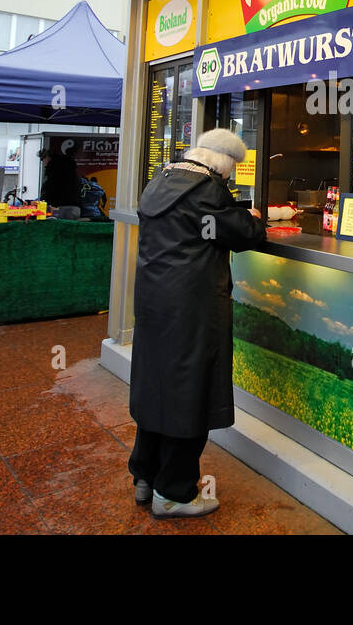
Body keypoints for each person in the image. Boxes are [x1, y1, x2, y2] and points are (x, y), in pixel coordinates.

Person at [130, 128, 265, 519]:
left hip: (155, 306)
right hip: (193, 309)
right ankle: (174, 493)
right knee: (189, 395)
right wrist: (252, 218)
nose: (228, 180)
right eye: (229, 175)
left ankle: (144, 474)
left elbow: (204, 222)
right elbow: (246, 234)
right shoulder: (206, 191)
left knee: (158, 385)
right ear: (221, 168)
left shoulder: (161, 180)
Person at [39, 147, 82, 218]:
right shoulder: (71, 169)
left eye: (42, 159)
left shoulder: (52, 169)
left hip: (58, 208)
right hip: (75, 207)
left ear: (47, 157)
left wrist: (44, 202)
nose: (43, 162)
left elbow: (49, 189)